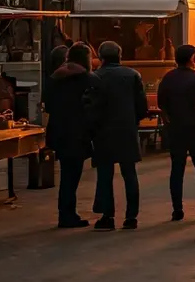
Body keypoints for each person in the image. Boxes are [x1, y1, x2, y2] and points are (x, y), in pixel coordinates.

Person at [89, 42, 148, 231]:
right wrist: (133, 120)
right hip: (127, 131)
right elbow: (142, 107)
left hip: (103, 133)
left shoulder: (95, 77)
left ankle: (108, 216)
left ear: (101, 57)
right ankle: (131, 217)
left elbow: (90, 107)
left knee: (105, 175)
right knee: (129, 174)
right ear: (120, 56)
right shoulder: (132, 76)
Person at [157, 45, 195, 222]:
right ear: (192, 58)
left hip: (175, 128)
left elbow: (162, 103)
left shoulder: (167, 78)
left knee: (177, 169)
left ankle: (177, 209)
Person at [45, 42, 99, 228]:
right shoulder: (88, 79)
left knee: (67, 174)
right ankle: (67, 215)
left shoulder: (55, 77)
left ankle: (66, 212)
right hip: (77, 133)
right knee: (71, 176)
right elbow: (94, 106)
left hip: (59, 131)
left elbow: (48, 104)